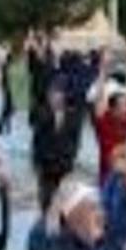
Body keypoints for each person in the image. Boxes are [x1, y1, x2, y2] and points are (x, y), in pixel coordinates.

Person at [32, 77, 84, 213]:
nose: (55, 97)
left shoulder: (73, 116)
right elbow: (37, 141)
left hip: (64, 165)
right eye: (52, 94)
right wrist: (37, 164)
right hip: (46, 167)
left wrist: (70, 159)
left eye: (58, 93)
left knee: (64, 203)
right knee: (47, 202)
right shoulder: (42, 114)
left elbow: (75, 140)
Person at [90, 53, 126, 184]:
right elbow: (99, 97)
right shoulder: (104, 122)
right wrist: (103, 69)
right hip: (107, 180)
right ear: (113, 109)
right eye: (124, 105)